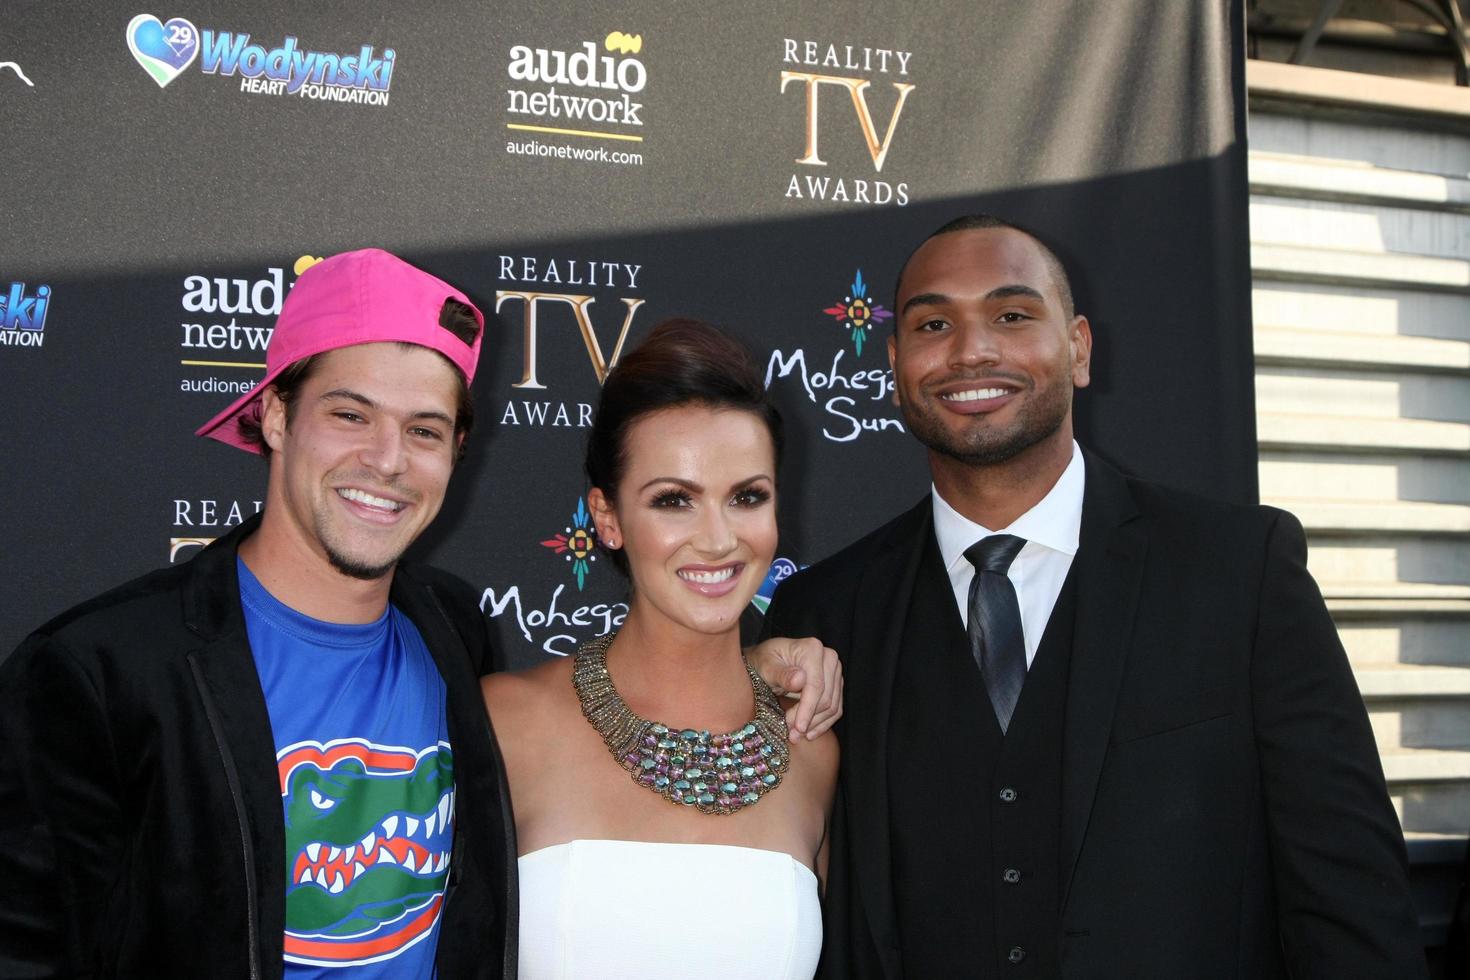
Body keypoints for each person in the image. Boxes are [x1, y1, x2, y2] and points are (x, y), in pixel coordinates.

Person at [0, 252, 841, 979]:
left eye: (426, 430)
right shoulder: (104, 672)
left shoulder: (452, 642)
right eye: (350, 414)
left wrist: (759, 665)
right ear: (274, 413)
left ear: (455, 455)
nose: (388, 460)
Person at [762, 215, 1429, 977]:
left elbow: (1349, 891)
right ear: (893, 362)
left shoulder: (1240, 573)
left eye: (1012, 316)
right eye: (934, 323)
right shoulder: (822, 614)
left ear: (1078, 347)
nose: (972, 349)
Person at [483, 319, 839, 979]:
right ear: (608, 516)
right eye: (674, 500)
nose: (717, 539)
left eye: (747, 498)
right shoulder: (507, 725)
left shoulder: (811, 748)